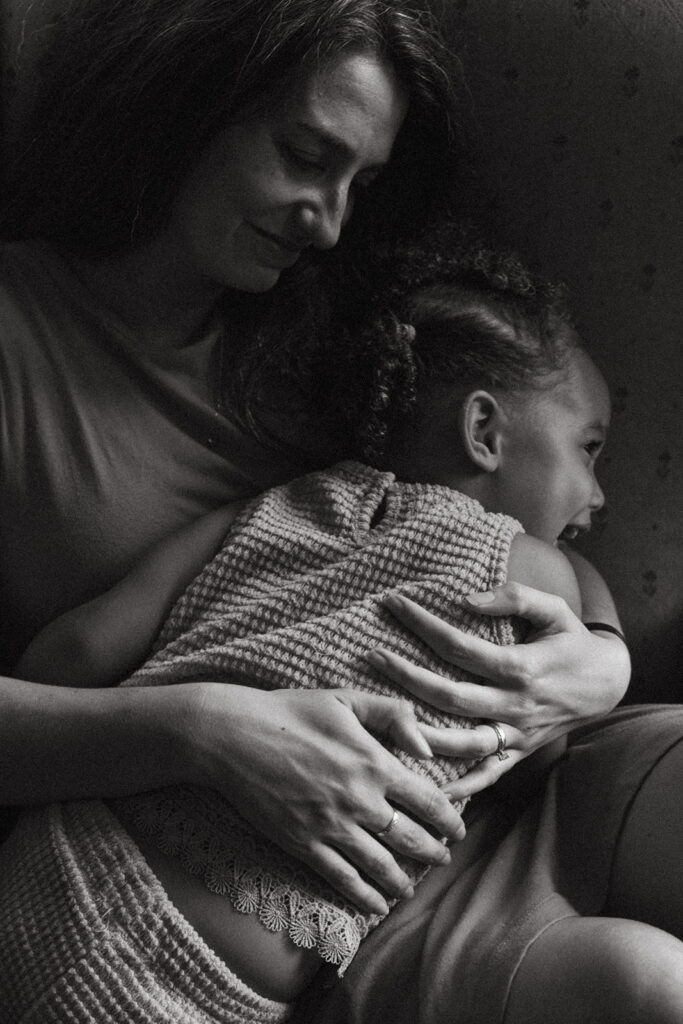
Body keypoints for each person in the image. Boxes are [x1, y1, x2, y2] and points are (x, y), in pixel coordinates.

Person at [0, 0, 651, 1019]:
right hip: (196, 882)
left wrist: (597, 661)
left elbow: (504, 508)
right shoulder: (17, 334)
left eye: (363, 182)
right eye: (305, 155)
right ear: (184, 102)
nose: (330, 220)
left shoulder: (348, 338)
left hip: (452, 818)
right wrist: (193, 729)